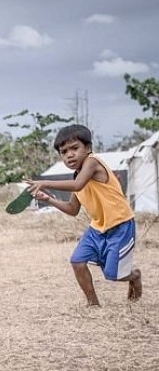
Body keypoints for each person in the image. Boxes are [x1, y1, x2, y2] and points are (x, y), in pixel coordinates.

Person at [26, 124, 142, 306]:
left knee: (113, 274)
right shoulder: (77, 176)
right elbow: (73, 209)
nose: (69, 154)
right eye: (63, 152)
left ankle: (134, 276)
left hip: (120, 225)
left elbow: (79, 185)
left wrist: (44, 182)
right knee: (77, 261)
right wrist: (48, 199)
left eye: (74, 148)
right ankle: (93, 304)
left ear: (88, 148)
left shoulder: (93, 162)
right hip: (97, 228)